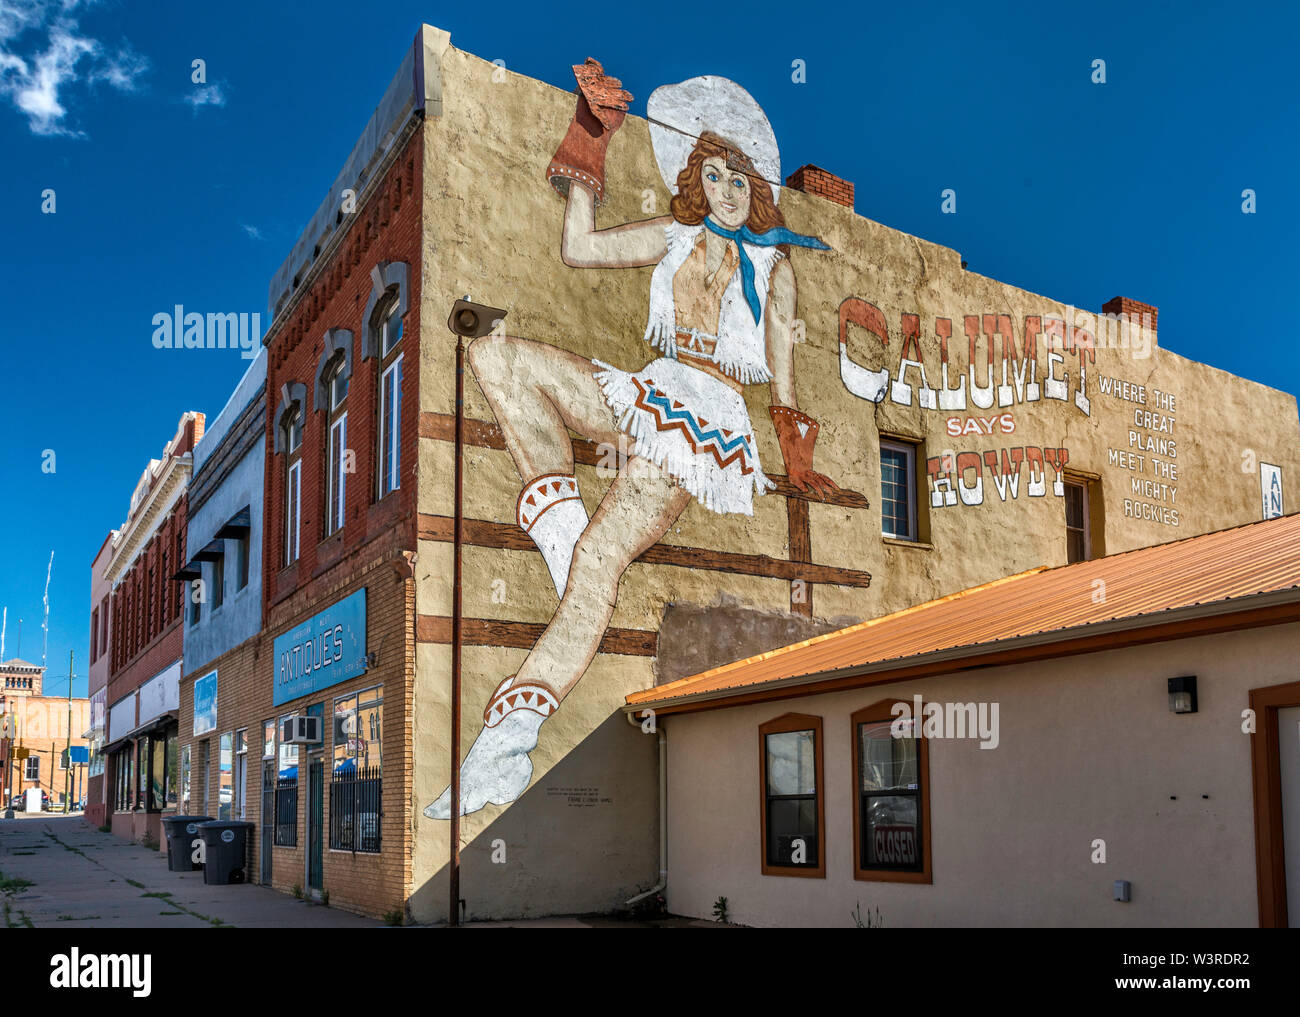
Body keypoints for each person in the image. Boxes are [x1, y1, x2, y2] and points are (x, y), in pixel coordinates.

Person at [426, 63, 840, 819]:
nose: (725, 190)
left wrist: (796, 458)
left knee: (599, 562)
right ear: (695, 179)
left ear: (755, 192)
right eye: (712, 174)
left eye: (739, 179)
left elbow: (782, 381)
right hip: (650, 387)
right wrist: (590, 139)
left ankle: (506, 746)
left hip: (705, 422)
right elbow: (579, 249)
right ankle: (566, 541)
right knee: (499, 355)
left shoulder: (772, 266)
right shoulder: (675, 235)